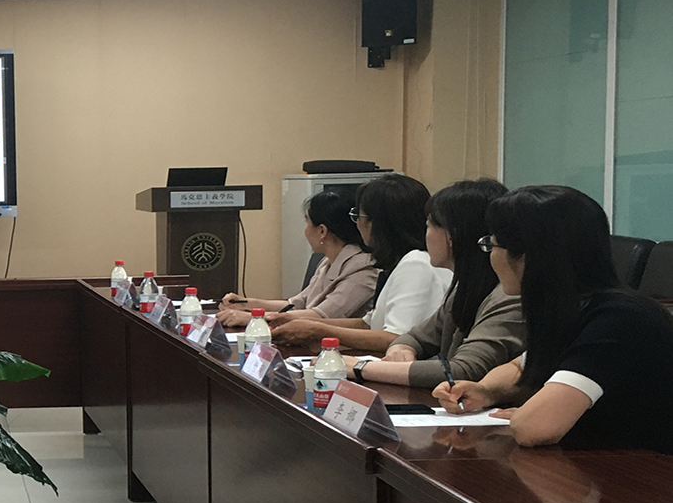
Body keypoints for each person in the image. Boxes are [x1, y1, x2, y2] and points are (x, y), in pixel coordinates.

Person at [437, 185, 673, 453]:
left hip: (645, 469)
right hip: (601, 459)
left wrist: (527, 414)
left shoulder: (619, 319)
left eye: (492, 244)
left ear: (527, 256)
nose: (491, 256)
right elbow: (523, 366)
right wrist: (486, 391)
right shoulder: (572, 307)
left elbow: (535, 428)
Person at [335, 179, 524, 387]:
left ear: (452, 236)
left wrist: (361, 367)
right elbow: (415, 337)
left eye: (429, 226)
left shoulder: (508, 296)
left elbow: (462, 370)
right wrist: (402, 350)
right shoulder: (466, 287)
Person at [270, 174, 449, 347]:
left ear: (378, 223)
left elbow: (395, 338)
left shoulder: (416, 264)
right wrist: (294, 321)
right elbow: (368, 324)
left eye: (359, 216)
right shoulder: (399, 263)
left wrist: (317, 330)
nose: (357, 224)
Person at [219, 189, 377, 328]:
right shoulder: (328, 261)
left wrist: (254, 318)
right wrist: (244, 303)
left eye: (307, 222)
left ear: (322, 231)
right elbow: (296, 304)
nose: (306, 230)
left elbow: (322, 316)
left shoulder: (363, 269)